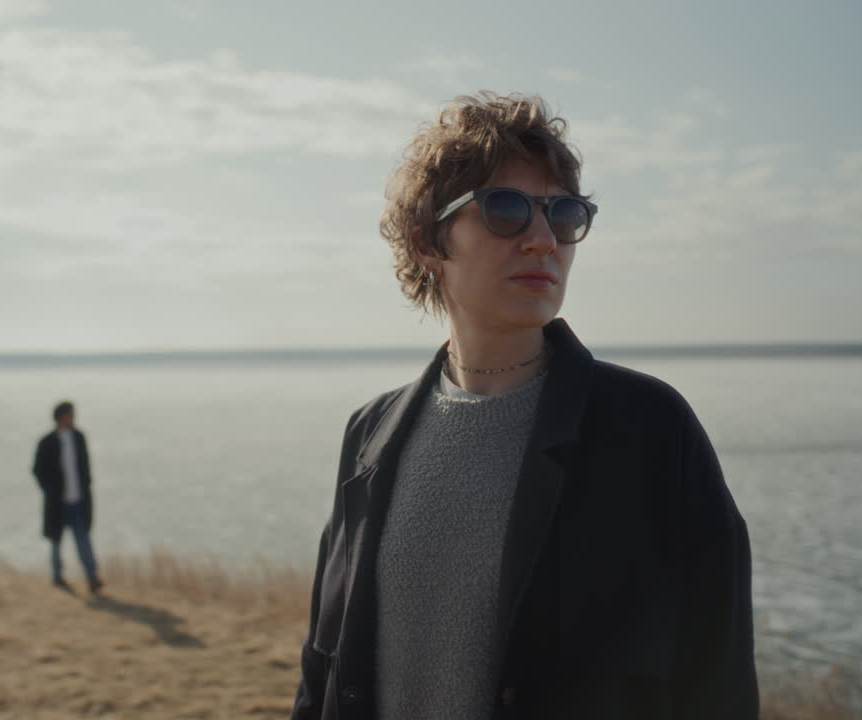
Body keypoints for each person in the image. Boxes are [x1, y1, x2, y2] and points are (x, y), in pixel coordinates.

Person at [291, 93, 758, 720]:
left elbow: (716, 678)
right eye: (506, 210)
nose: (543, 240)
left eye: (564, 215)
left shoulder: (649, 429)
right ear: (429, 241)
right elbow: (323, 671)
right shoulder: (370, 436)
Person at [32, 400, 103, 594]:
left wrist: (87, 486)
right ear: (61, 417)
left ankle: (92, 577)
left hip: (78, 500)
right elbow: (38, 471)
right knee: (56, 541)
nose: (74, 418)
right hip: (57, 503)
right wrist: (51, 491)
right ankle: (57, 576)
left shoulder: (79, 438)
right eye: (71, 414)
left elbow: (86, 468)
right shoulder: (47, 442)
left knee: (83, 539)